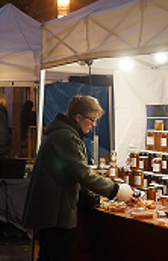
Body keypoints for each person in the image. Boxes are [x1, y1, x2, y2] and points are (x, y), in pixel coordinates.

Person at [23, 95, 133, 261]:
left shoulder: (60, 134)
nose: (94, 124)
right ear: (78, 117)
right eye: (92, 119)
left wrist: (93, 197)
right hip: (56, 216)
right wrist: (117, 190)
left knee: (47, 256)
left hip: (50, 213)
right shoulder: (65, 137)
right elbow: (84, 175)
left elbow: (71, 174)